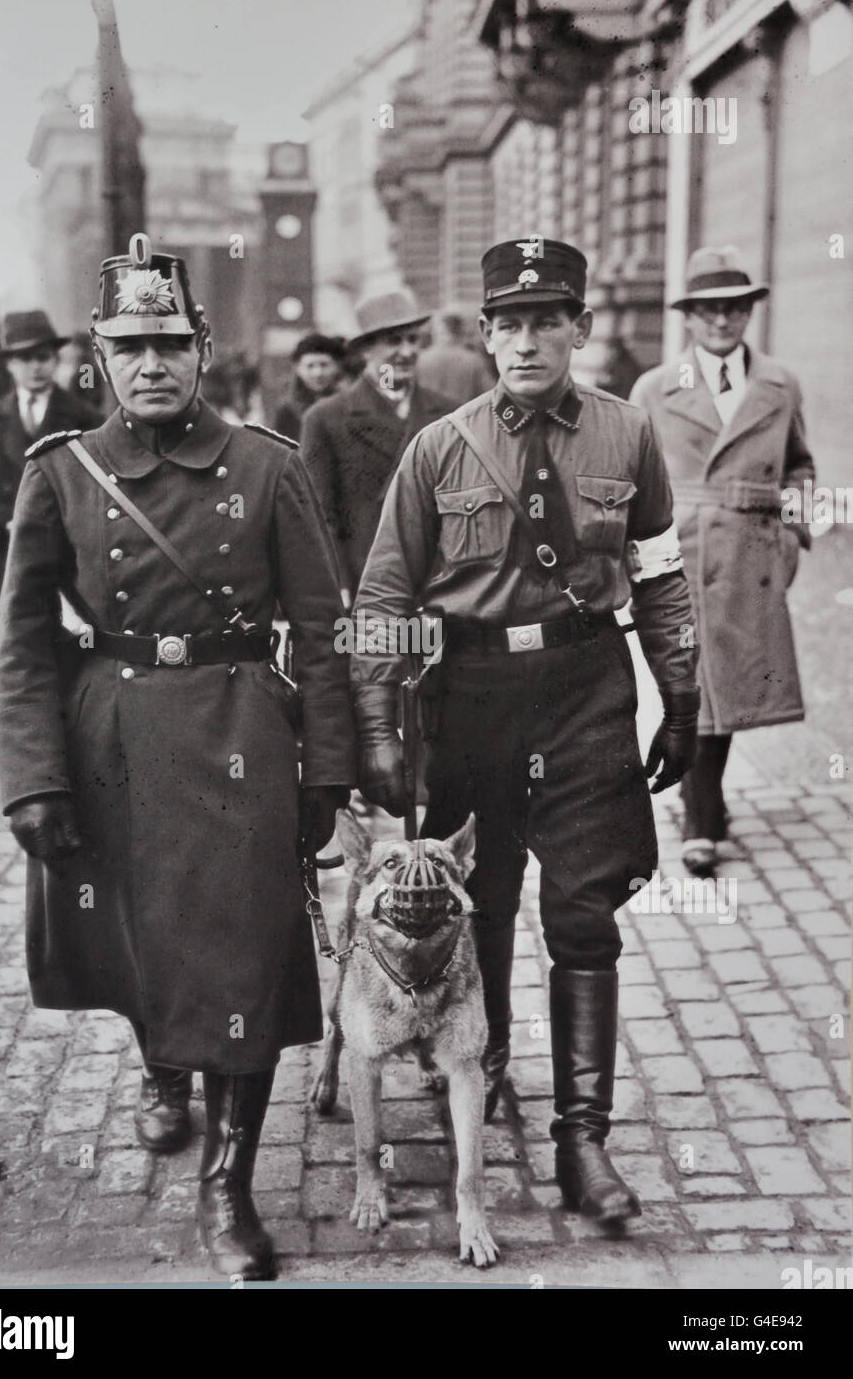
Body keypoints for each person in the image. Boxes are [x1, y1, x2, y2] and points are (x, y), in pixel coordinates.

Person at [0, 235, 354, 1280]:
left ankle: (228, 1186)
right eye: (127, 345)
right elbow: (22, 643)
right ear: (96, 357)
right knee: (146, 937)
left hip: (242, 728)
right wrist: (34, 775)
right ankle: (163, 1068)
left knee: (240, 948)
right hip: (114, 734)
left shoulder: (266, 466)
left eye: (168, 342)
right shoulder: (61, 473)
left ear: (201, 348)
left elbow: (324, 632)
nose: (150, 364)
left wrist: (328, 768)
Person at [350, 238, 700, 1228]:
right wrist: (380, 724)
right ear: (486, 332)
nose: (528, 340)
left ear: (580, 330)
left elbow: (663, 573)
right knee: (483, 897)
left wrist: (682, 694)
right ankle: (488, 1062)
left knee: (585, 911)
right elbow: (382, 591)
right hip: (473, 693)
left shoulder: (629, 437)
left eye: (550, 320)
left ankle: (583, 1141)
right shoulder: (439, 448)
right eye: (509, 321)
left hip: (588, 687)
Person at [630, 247, 815, 876]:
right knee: (698, 681)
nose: (721, 321)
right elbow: (639, 475)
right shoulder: (655, 388)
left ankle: (701, 801)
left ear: (749, 313)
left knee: (730, 685)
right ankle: (702, 813)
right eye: (708, 310)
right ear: (689, 317)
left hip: (753, 552)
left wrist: (793, 531)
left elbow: (799, 464)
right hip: (684, 550)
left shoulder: (780, 383)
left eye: (733, 309)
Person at [299, 291, 453, 606]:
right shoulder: (326, 419)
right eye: (394, 341)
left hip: (438, 582)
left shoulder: (450, 414)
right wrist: (337, 582)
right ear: (367, 348)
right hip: (367, 580)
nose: (407, 351)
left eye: (414, 340)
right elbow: (319, 516)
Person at [0, 311, 98, 653]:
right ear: (9, 365)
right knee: (15, 641)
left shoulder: (84, 418)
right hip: (7, 551)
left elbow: (95, 487)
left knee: (75, 639)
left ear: (55, 360)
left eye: (43, 357)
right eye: (24, 358)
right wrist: (2, 521)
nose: (35, 367)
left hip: (68, 551)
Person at [273, 331, 346, 443]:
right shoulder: (288, 411)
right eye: (310, 366)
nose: (318, 373)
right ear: (298, 369)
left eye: (324, 365)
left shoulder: (348, 404)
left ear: (337, 366)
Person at [417, 308, 495, 407]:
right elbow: (490, 394)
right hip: (461, 418)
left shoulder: (421, 358)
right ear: (460, 331)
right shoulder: (473, 360)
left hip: (427, 418)